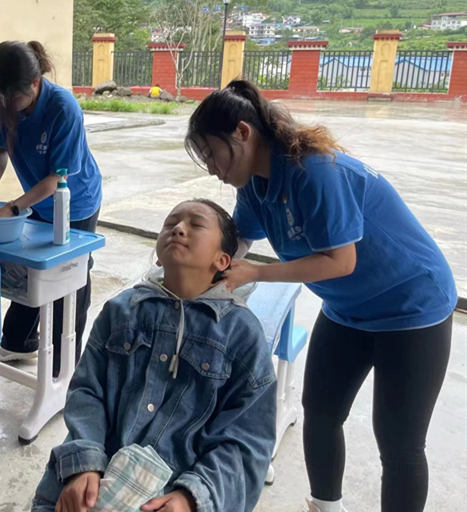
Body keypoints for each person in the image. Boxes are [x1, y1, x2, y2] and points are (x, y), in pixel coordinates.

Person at [185, 80, 457, 512]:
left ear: (242, 133)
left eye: (212, 153)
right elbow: (239, 244)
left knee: (400, 441)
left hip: (411, 305)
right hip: (347, 308)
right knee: (322, 411)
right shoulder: (253, 184)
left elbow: (340, 261)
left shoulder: (313, 171)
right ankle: (326, 508)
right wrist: (195, 269)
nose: (212, 169)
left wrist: (259, 273)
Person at [31, 200, 276, 512]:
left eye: (196, 224)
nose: (178, 229)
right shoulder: (121, 311)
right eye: (170, 223)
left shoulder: (242, 334)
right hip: (92, 482)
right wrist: (84, 463)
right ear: (158, 256)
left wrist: (193, 498)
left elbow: (248, 440)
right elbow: (87, 392)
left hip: (176, 494)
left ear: (222, 260)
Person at [0, 40, 103, 375]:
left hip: (74, 202)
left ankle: (65, 367)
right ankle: (17, 342)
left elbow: (56, 180)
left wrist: (13, 208)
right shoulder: (6, 98)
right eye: (0, 95)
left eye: (13, 97)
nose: (6, 103)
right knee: (30, 268)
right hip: (36, 197)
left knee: (69, 275)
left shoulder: (63, 108)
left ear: (35, 83)